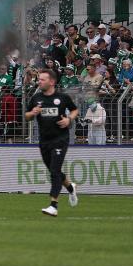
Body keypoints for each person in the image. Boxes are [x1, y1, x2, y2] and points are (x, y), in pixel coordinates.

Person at [24, 69, 79, 216]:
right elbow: (27, 116)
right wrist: (33, 113)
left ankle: (53, 205)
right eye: (39, 79)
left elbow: (74, 110)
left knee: (54, 171)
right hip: (44, 140)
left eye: (42, 80)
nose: (39, 82)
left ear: (52, 82)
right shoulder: (36, 98)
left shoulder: (62, 97)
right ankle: (71, 187)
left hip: (60, 139)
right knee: (55, 171)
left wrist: (69, 119)